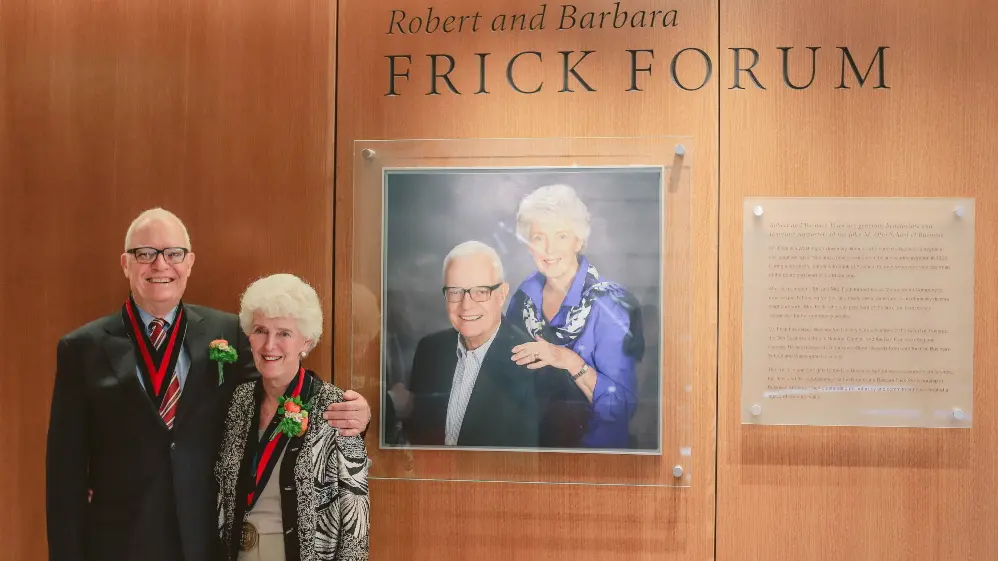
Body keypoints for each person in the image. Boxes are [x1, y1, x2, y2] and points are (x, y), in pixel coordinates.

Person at [45, 208, 371, 561]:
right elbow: (65, 475)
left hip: (205, 542)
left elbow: (276, 398)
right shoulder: (81, 349)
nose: (160, 265)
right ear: (126, 263)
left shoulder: (229, 332)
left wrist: (357, 417)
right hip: (119, 543)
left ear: (189, 263)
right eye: (145, 254)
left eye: (173, 253)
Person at [216, 274, 369, 561]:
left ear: (306, 341)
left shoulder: (337, 407)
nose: (269, 345)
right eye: (260, 330)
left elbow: (355, 522)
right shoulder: (238, 401)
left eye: (284, 333)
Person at [506, 184, 645, 449]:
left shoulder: (610, 305)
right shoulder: (521, 301)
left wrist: (568, 360)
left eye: (561, 236)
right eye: (538, 237)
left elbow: (622, 408)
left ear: (578, 241)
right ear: (528, 245)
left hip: (594, 461)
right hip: (531, 456)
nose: (548, 249)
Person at [402, 241, 541, 448]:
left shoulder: (532, 361)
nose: (466, 305)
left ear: (502, 294)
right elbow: (416, 434)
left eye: (481, 291)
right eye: (455, 292)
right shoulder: (430, 350)